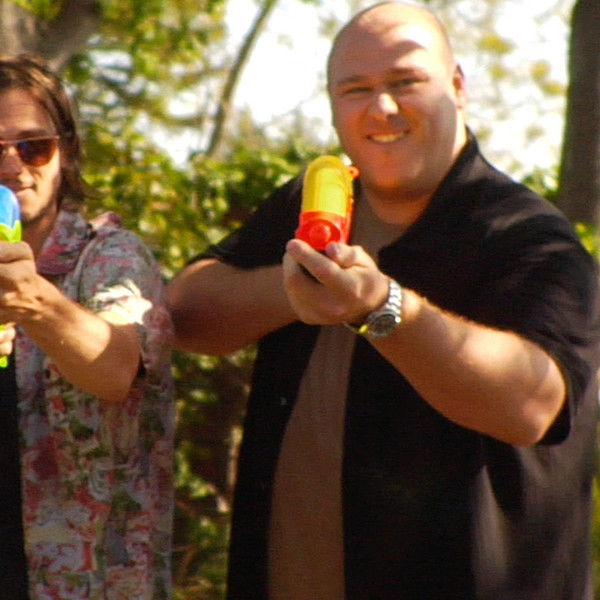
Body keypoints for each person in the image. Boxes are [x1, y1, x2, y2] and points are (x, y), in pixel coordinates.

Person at [168, 2, 600, 599]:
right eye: (356, 89)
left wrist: (381, 308)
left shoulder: (528, 237)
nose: (382, 108)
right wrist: (299, 289)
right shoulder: (314, 203)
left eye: (405, 81)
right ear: (332, 105)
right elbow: (185, 314)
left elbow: (532, 405)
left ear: (457, 87)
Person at [0, 55, 174, 600]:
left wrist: (34, 303)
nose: (11, 166)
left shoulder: (110, 257)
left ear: (67, 152)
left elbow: (117, 367)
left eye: (33, 146)